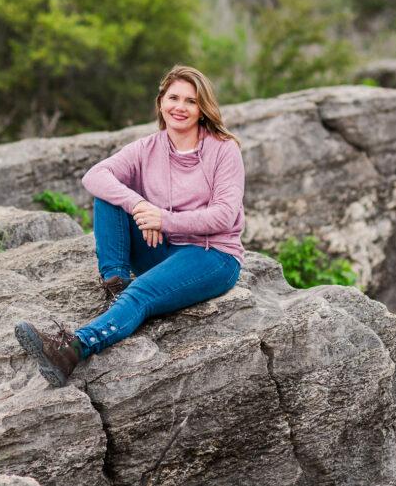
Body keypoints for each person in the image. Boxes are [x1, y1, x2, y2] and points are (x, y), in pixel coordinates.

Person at [14, 65, 245, 387]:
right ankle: (116, 285)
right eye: (173, 97)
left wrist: (164, 220)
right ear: (161, 101)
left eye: (190, 101)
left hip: (211, 255)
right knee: (108, 195)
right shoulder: (148, 147)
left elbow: (223, 215)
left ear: (202, 108)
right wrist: (140, 205)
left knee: (143, 294)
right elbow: (94, 176)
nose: (180, 107)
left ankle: (71, 349)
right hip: (161, 249)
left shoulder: (223, 149)